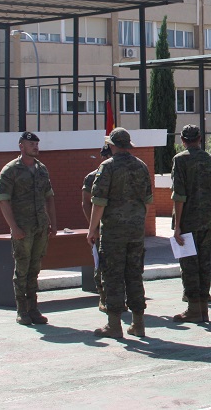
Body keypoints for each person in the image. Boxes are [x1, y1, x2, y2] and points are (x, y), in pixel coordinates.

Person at [87, 127, 152, 339]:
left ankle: (114, 325)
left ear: (113, 145)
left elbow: (98, 202)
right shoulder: (141, 166)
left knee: (113, 276)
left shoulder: (107, 167)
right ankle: (138, 323)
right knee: (134, 274)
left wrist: (92, 229)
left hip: (114, 232)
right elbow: (147, 201)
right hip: (135, 231)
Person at [0, 131, 57, 326]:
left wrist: (53, 223)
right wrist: (13, 227)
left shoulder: (42, 169)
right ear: (21, 146)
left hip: (40, 227)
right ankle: (22, 310)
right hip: (23, 227)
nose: (36, 147)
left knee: (35, 268)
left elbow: (49, 197)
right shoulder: (10, 170)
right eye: (31, 144)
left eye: (37, 144)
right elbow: (3, 201)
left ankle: (34, 309)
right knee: (22, 269)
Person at [170, 124, 211, 324]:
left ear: (183, 140)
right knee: (205, 264)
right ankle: (203, 309)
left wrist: (177, 226)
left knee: (190, 266)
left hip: (188, 223)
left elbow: (179, 196)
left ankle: (194, 309)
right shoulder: (210, 160)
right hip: (206, 222)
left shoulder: (180, 160)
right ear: (200, 138)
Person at [81, 142, 112, 312]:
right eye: (107, 156)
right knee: (101, 264)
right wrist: (93, 228)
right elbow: (87, 204)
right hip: (101, 228)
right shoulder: (92, 177)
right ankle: (103, 297)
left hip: (118, 227)